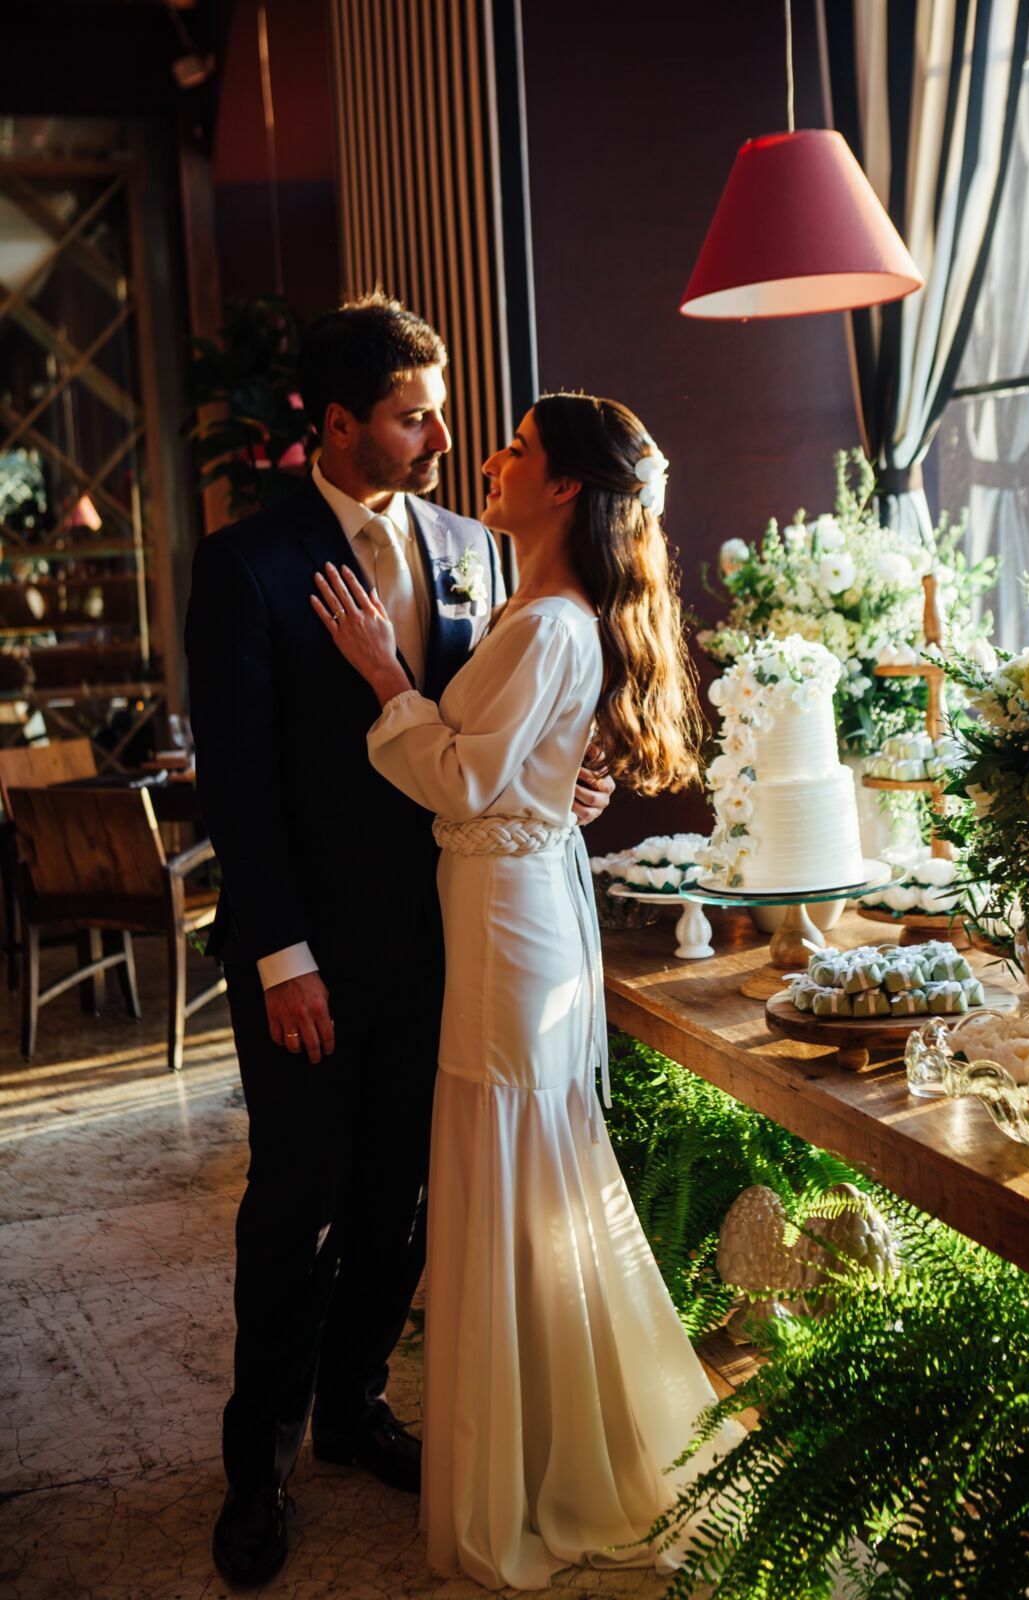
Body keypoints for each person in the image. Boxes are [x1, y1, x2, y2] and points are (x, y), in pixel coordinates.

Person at [185, 295, 613, 1588]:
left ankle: (351, 1405)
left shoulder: (474, 550)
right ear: (332, 422)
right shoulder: (247, 563)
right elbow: (238, 788)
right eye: (411, 416)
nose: (439, 437)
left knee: (398, 1209)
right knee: (294, 1205)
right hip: (309, 958)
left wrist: (560, 785)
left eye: (437, 412)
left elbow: (490, 730)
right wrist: (280, 958)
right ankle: (253, 1459)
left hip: (448, 944)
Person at [311, 391, 746, 1591]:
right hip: (509, 909)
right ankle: (546, 1436)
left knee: (515, 1169)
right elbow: (515, 772)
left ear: (561, 487)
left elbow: (460, 782)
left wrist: (382, 674)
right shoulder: (536, 611)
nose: (486, 463)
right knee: (520, 1173)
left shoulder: (551, 624)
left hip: (509, 931)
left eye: (512, 449)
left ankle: (543, 1465)